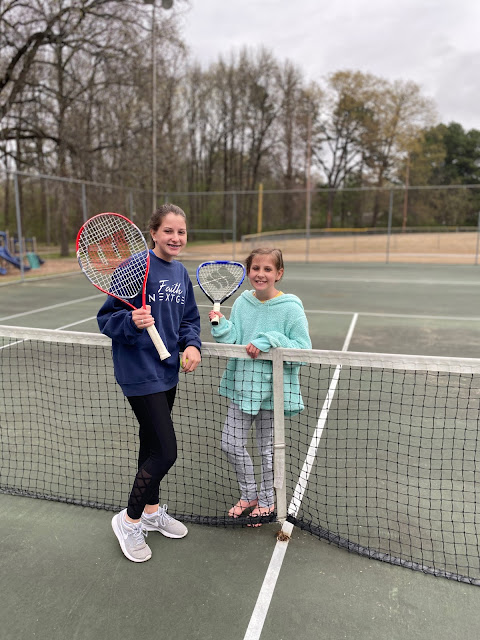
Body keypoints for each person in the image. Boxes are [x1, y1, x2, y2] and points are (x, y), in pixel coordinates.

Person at [98, 203, 201, 562]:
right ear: (154, 233)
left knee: (151, 443)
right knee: (166, 451)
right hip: (139, 373)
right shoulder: (135, 266)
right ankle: (129, 521)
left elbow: (188, 319)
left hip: (168, 370)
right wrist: (131, 321)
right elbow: (107, 319)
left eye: (181, 231)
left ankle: (152, 512)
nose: (176, 237)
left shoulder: (181, 273)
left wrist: (192, 344)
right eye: (168, 230)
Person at [208, 248, 311, 525]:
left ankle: (266, 502)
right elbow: (234, 339)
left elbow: (303, 349)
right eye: (255, 268)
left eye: (267, 269)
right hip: (243, 388)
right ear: (248, 271)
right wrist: (221, 326)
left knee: (267, 451)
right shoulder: (243, 303)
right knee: (230, 444)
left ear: (279, 273)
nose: (261, 274)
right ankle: (249, 494)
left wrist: (270, 339)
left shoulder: (291, 308)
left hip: (272, 393)